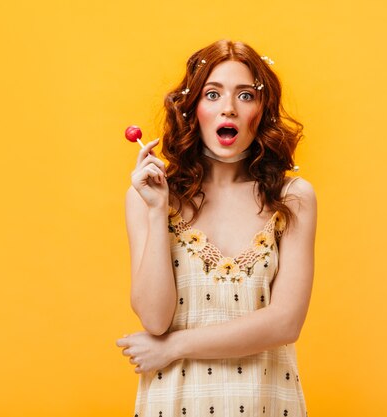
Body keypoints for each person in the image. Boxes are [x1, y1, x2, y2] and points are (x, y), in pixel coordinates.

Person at [116, 39, 317, 417]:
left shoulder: (293, 198)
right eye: (212, 94)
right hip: (173, 404)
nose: (229, 108)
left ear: (263, 109)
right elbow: (155, 319)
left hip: (267, 402)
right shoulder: (148, 198)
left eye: (245, 95)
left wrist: (173, 347)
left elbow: (285, 323)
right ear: (192, 111)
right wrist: (158, 210)